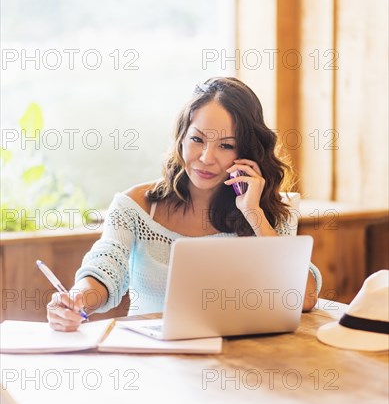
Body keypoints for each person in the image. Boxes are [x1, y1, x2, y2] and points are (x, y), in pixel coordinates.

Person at [47, 77, 321, 331]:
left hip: (239, 364)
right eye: (197, 139)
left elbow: (304, 297)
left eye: (226, 146)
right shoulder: (135, 206)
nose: (205, 157)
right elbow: (106, 266)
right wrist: (77, 298)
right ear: (181, 137)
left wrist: (254, 215)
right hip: (153, 362)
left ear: (247, 152)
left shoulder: (266, 212)